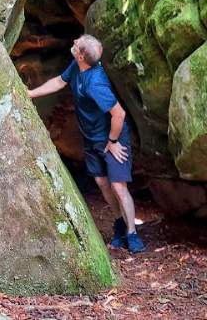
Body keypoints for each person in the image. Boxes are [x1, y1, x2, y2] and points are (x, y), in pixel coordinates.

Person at [27, 33, 145, 253]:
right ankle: (119, 223)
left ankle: (132, 233)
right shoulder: (77, 67)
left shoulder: (95, 83)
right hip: (91, 137)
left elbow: (118, 114)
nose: (73, 42)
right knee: (102, 183)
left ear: (81, 55)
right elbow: (59, 81)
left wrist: (112, 141)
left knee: (118, 186)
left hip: (113, 139)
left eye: (77, 44)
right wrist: (31, 93)